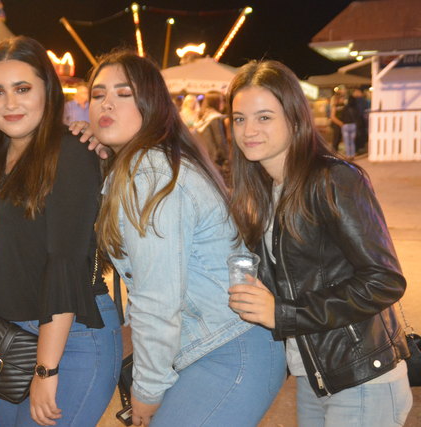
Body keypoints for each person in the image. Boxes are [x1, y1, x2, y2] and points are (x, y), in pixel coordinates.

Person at [88, 50, 285, 427]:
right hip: (218, 345)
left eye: (124, 93)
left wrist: (147, 389)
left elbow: (157, 298)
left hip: (229, 350)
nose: (107, 103)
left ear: (151, 104)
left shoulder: (150, 174)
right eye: (98, 94)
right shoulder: (148, 163)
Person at [227, 59, 412, 427]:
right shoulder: (266, 192)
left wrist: (283, 313)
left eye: (264, 117)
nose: (249, 130)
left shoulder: (333, 179)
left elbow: (384, 280)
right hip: (314, 376)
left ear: (295, 118)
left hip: (362, 378)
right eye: (239, 119)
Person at [0, 36, 121, 427]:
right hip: (7, 337)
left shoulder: (72, 152)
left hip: (71, 338)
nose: (10, 103)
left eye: (22, 89)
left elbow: (64, 262)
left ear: (48, 93)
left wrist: (46, 369)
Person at [193, 90, 230, 181]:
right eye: (221, 101)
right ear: (215, 102)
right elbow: (220, 142)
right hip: (216, 162)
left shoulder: (202, 118)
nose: (223, 104)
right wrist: (227, 159)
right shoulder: (215, 118)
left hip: (203, 160)